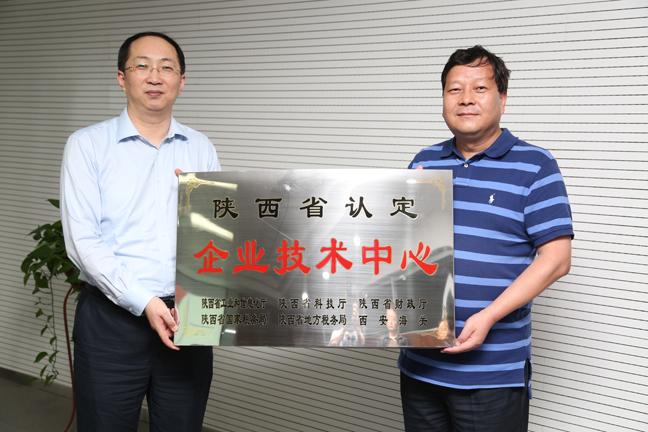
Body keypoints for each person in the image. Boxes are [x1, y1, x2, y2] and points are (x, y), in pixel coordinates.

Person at [399, 45, 573, 432]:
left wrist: (489, 315)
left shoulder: (535, 165)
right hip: (420, 365)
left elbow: (557, 259)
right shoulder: (424, 162)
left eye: (479, 88)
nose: (465, 99)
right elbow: (403, 249)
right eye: (454, 89)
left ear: (502, 99)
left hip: (493, 374)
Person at [60, 31, 220, 432]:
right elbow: (83, 242)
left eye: (167, 68)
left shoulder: (201, 147)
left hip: (186, 318)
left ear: (182, 81)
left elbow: (217, 234)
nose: (155, 76)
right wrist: (145, 301)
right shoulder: (87, 145)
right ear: (122, 77)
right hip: (111, 322)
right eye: (142, 66)